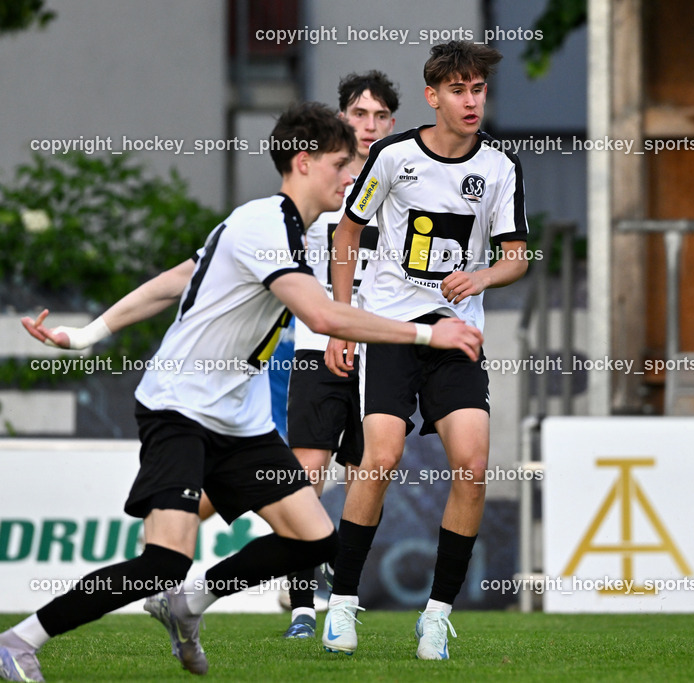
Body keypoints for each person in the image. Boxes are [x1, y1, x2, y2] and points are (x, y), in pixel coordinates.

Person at [0, 101, 482, 683]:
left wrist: (88, 333)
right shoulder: (263, 224)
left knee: (314, 540)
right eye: (340, 165)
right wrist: (429, 332)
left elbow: (178, 279)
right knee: (163, 561)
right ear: (303, 162)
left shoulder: (288, 230)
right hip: (180, 407)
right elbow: (323, 316)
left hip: (239, 419)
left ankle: (188, 604)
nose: (350, 177)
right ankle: (20, 642)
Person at [320, 41, 529, 660]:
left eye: (478, 89)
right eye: (458, 90)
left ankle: (436, 616)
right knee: (380, 458)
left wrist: (482, 277)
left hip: (456, 334)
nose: (471, 101)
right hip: (391, 328)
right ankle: (342, 603)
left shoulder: (501, 167)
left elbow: (517, 257)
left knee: (473, 466)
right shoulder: (394, 156)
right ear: (433, 96)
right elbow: (348, 233)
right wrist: (340, 324)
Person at [280, 70, 400, 639]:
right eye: (359, 114)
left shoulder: (403, 182)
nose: (369, 125)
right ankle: (302, 606)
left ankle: (341, 593)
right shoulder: (322, 181)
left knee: (366, 476)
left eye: (380, 116)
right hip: (316, 344)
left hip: (378, 351)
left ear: (393, 123)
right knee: (307, 472)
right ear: (342, 118)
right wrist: (329, 326)